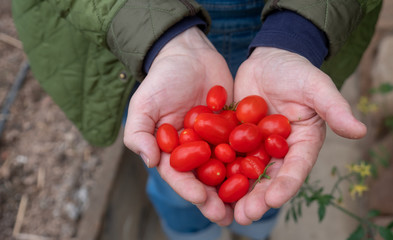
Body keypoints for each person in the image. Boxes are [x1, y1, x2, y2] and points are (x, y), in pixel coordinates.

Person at [12, 0, 382, 239]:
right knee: (177, 185)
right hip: (133, 31)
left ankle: (254, 232)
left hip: (275, 14)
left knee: (265, 187)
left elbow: (246, 140)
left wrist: (299, 32)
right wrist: (150, 30)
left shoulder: (226, 131)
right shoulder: (213, 129)